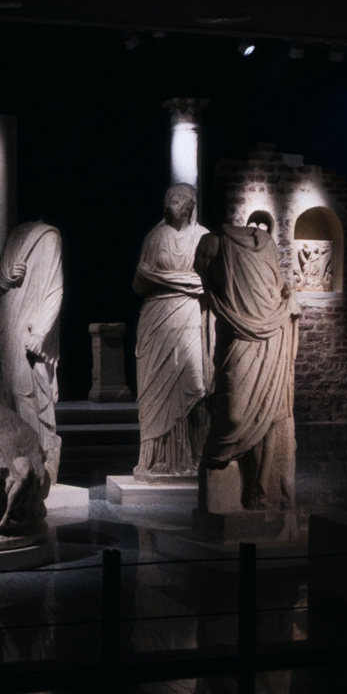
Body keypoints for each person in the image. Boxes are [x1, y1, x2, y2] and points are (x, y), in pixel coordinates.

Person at [195, 220, 300, 512]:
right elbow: (208, 288)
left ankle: (258, 491)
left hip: (271, 332)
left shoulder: (266, 243)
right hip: (236, 336)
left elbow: (277, 285)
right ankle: (216, 459)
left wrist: (288, 299)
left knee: (268, 413)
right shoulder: (213, 243)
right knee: (234, 416)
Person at [132, 184, 211, 478]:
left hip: (189, 315)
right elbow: (138, 283)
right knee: (155, 391)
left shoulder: (203, 237)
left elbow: (207, 283)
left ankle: (194, 457)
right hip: (156, 319)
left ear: (191, 205)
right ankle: (157, 460)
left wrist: (160, 277)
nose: (173, 205)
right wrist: (185, 281)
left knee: (195, 385)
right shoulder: (155, 236)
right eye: (170, 200)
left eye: (179, 200)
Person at [0, 221, 64, 484]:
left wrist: (40, 333)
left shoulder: (49, 237)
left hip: (29, 328)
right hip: (10, 321)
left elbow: (55, 290)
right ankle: (17, 459)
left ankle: (36, 462)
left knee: (24, 390)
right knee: (9, 391)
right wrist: (7, 275)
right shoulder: (14, 235)